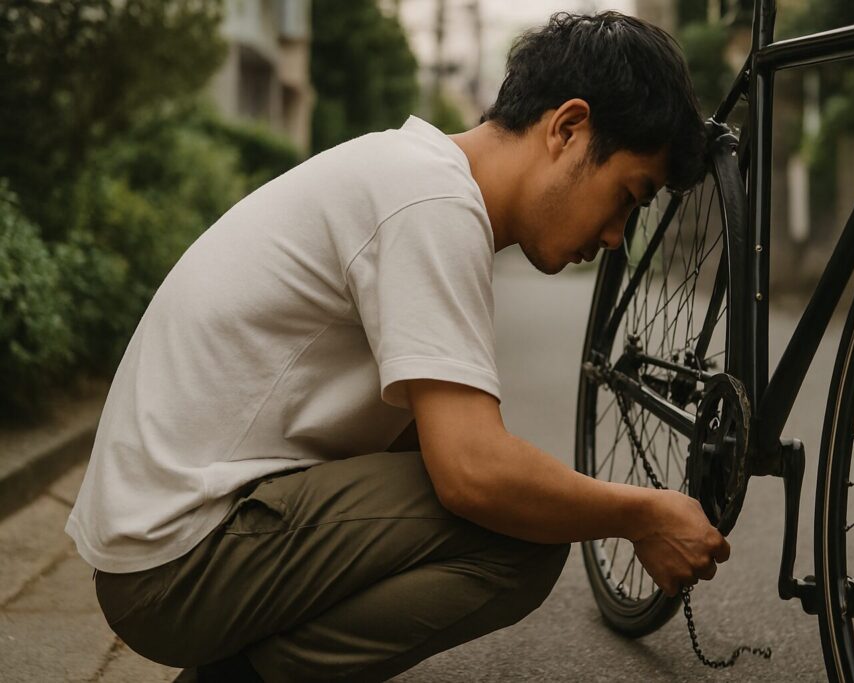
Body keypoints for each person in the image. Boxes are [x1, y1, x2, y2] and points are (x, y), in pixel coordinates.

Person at [65, 10, 729, 682]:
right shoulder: (431, 203)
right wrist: (641, 513)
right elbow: (472, 471)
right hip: (177, 562)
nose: (617, 235)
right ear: (566, 128)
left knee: (507, 491)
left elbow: (429, 447)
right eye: (625, 195)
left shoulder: (418, 176)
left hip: (164, 542)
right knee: (520, 541)